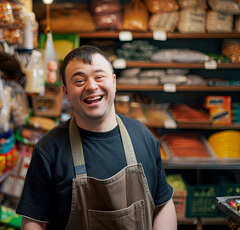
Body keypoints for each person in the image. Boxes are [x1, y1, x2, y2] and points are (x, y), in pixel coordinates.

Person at [16, 45, 177, 230]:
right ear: (66, 92)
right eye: (79, 81)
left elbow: (163, 204)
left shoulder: (143, 137)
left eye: (99, 77)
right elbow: (34, 222)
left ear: (114, 82)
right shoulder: (49, 150)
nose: (92, 86)